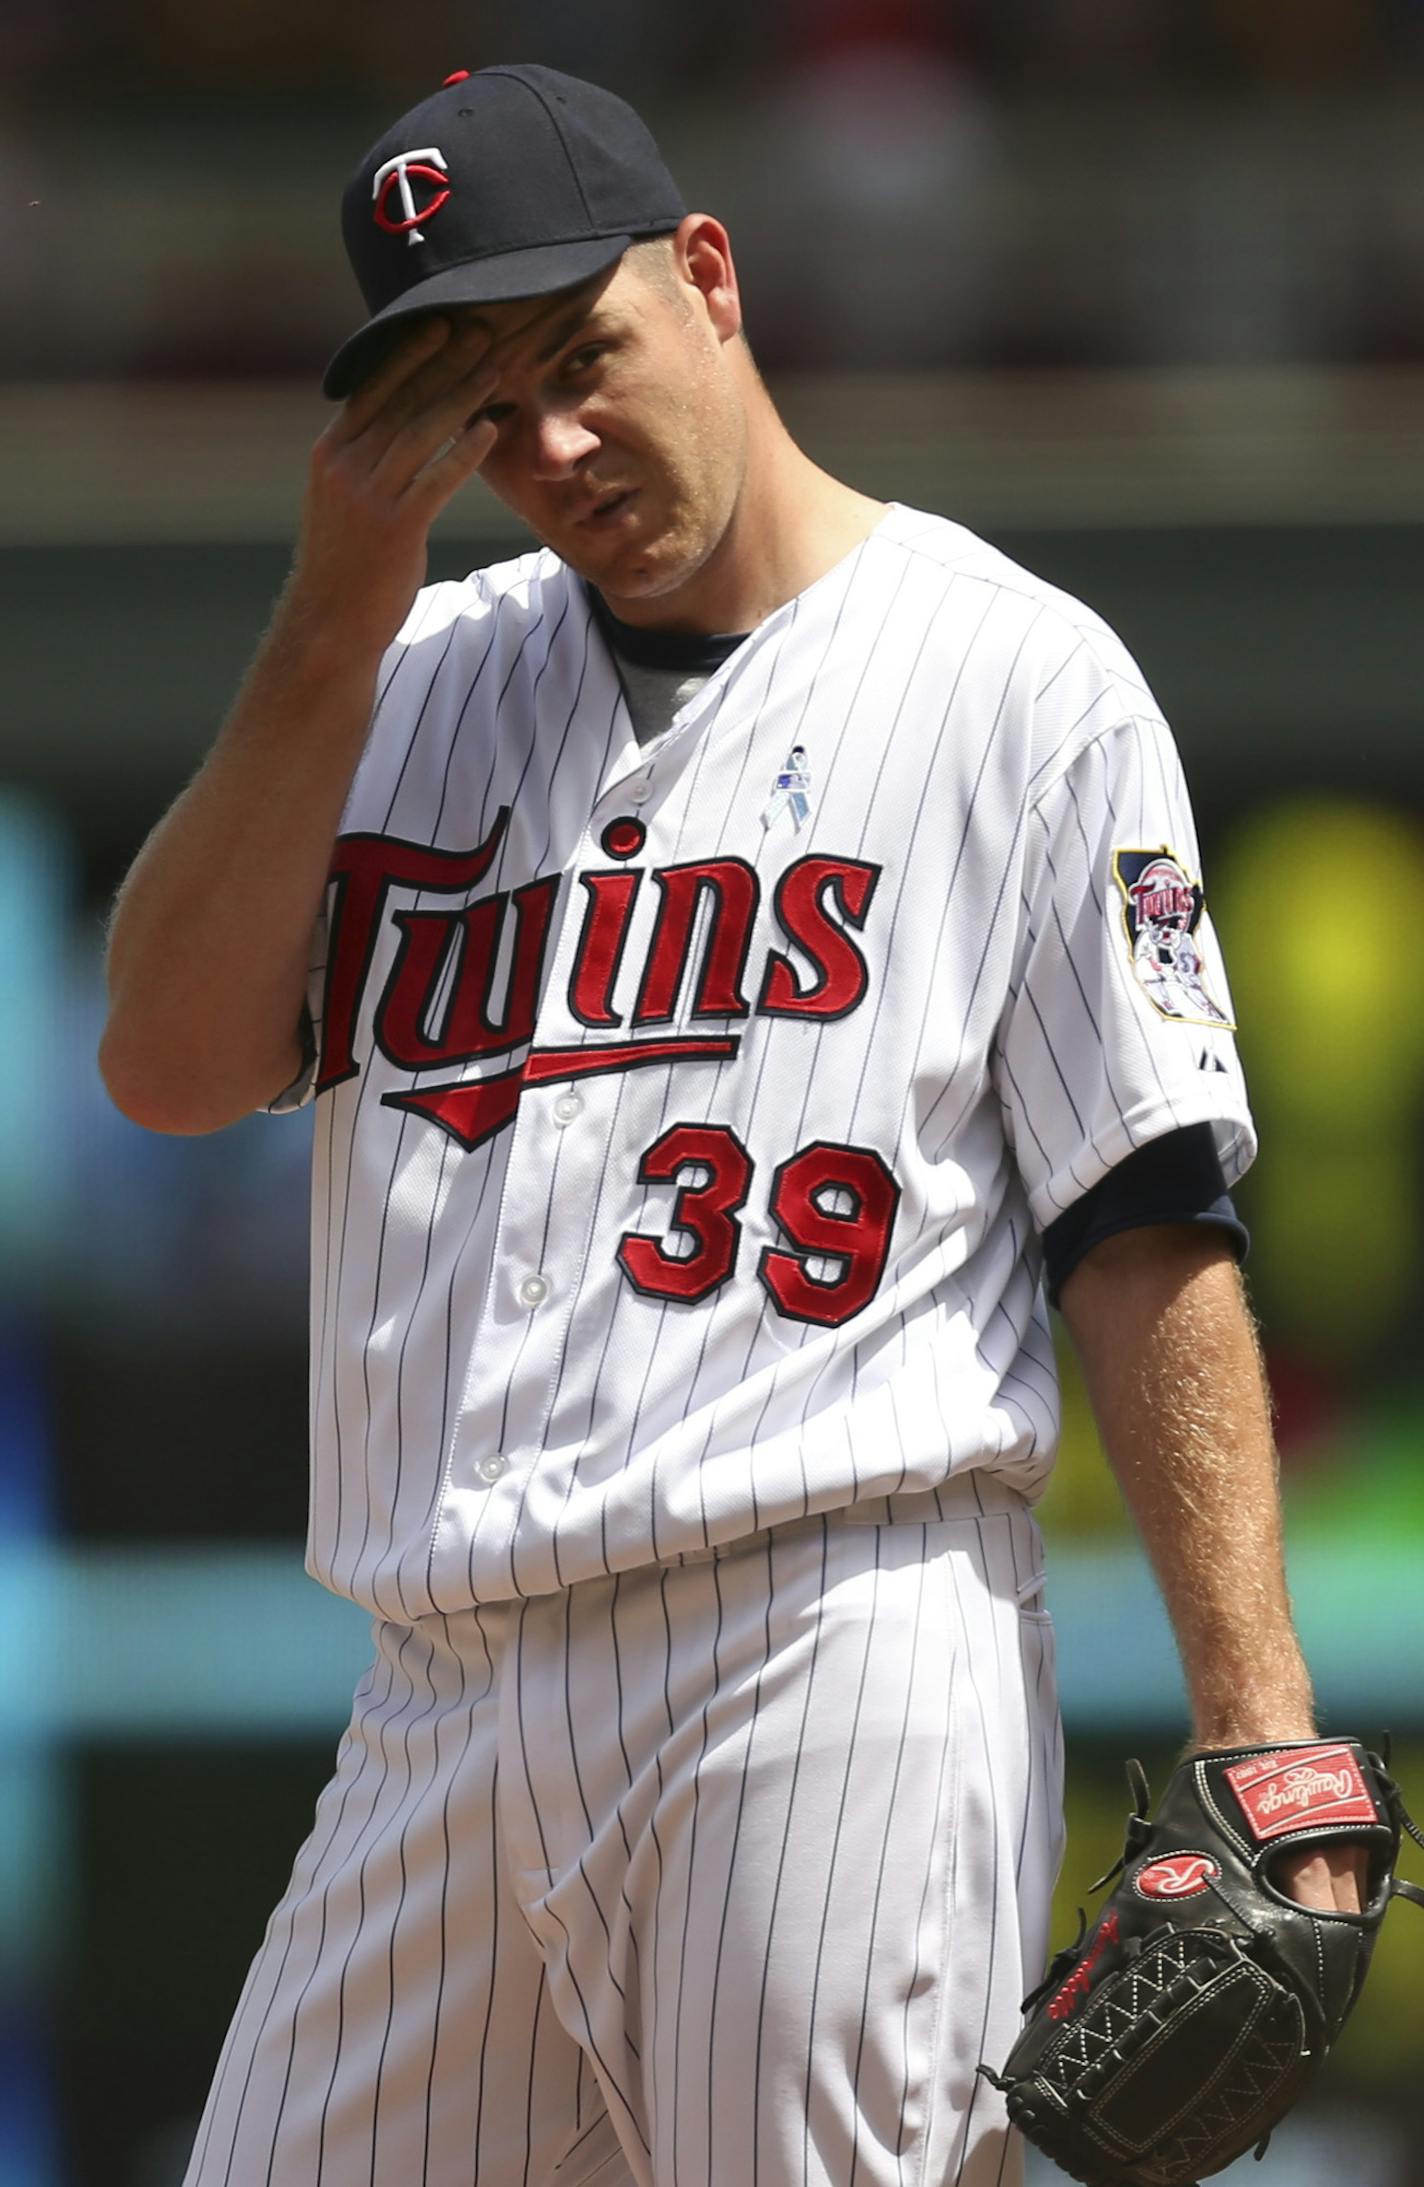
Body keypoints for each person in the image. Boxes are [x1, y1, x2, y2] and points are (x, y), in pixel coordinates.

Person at [99, 62, 1364, 2187]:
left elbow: (1142, 1219)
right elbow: (167, 1060)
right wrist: (332, 605)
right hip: (436, 1696)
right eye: (484, 416)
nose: (555, 447)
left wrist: (1258, 1718)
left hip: (821, 1645)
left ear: (706, 277)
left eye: (578, 357)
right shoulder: (393, 682)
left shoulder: (1007, 679)